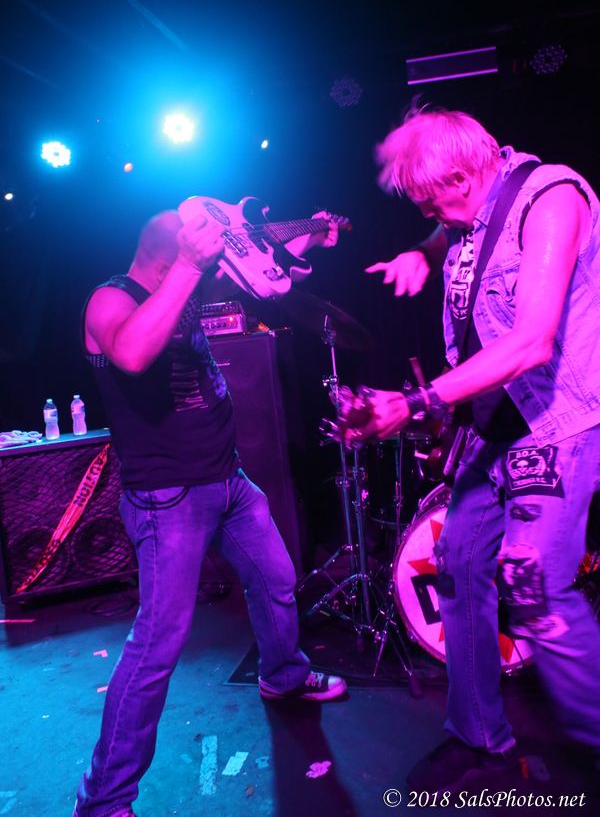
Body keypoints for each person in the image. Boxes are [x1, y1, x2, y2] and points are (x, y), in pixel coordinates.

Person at [355, 107, 600, 792]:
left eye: (432, 200)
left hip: (556, 426)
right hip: (490, 429)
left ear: (466, 174)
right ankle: (478, 736)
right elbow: (456, 232)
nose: (430, 213)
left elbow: (531, 343)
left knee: (535, 585)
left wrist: (414, 403)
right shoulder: (473, 205)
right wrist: (421, 252)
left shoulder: (552, 198)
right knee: (459, 568)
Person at [73, 206, 346, 817]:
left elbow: (262, 270)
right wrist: (189, 268)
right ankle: (103, 799)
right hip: (166, 499)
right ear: (167, 256)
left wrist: (305, 238)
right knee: (157, 647)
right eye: (196, 256)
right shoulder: (109, 300)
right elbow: (133, 354)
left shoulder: (189, 283)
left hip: (228, 483)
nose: (211, 264)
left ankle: (283, 674)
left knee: (276, 578)